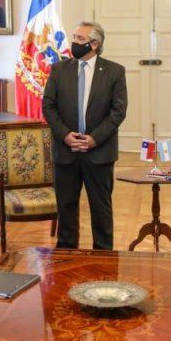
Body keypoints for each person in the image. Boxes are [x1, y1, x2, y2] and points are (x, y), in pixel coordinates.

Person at [42, 21, 128, 250]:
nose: (74, 42)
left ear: (94, 44)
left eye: (79, 39)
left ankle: (103, 260)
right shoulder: (59, 69)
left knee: (101, 209)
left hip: (98, 153)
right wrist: (65, 135)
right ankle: (67, 256)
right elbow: (48, 106)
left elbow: (118, 112)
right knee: (66, 208)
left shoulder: (114, 72)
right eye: (74, 37)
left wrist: (94, 139)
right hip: (65, 151)